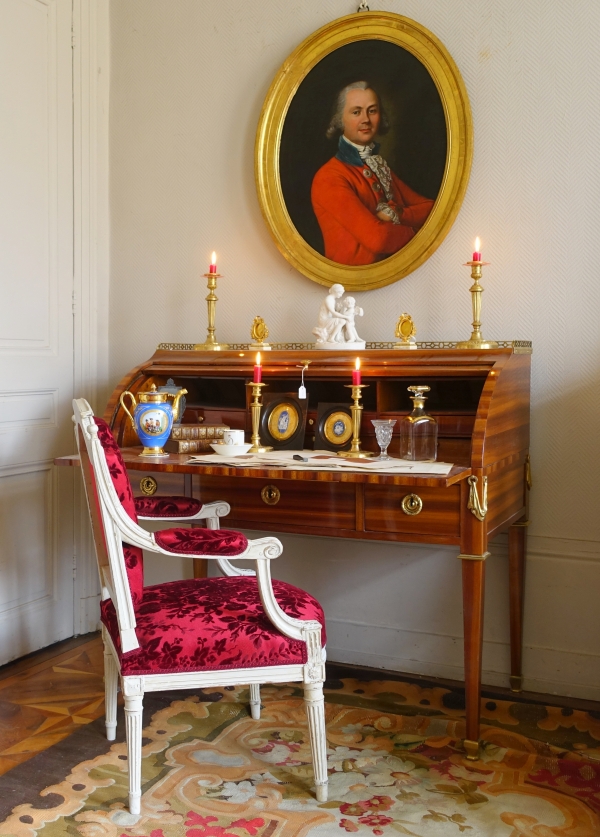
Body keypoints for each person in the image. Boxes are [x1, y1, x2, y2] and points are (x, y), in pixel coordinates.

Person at [311, 81, 434, 266]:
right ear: (339, 120)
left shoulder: (378, 167)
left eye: (372, 111)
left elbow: (431, 208)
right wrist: (422, 233)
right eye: (356, 112)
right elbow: (378, 239)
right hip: (351, 285)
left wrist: (397, 214)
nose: (366, 119)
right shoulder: (329, 177)